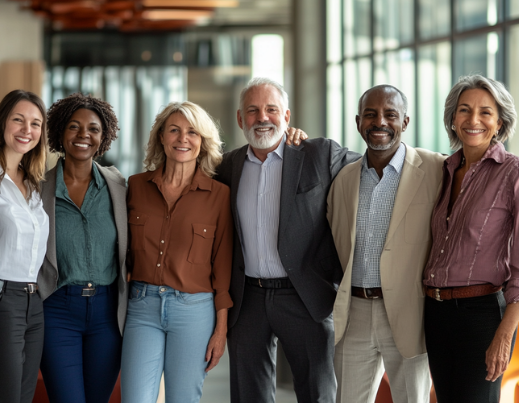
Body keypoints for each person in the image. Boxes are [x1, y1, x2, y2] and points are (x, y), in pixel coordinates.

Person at [216, 77, 359, 403]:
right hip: (247, 298)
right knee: (248, 395)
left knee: (318, 394)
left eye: (271, 109)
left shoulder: (318, 154)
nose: (262, 118)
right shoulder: (226, 168)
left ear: (287, 116)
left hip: (306, 296)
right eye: (252, 111)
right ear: (240, 119)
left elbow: (369, 172)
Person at [327, 85, 445, 403]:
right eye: (370, 114)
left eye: (390, 114)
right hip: (354, 314)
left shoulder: (436, 170)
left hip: (410, 313)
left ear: (405, 122)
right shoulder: (343, 181)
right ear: (357, 122)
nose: (380, 121)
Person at [120, 101, 233, 403]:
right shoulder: (135, 186)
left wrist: (220, 331)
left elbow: (223, 270)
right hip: (141, 308)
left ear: (202, 142)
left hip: (194, 312)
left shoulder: (219, 195)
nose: (183, 139)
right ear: (161, 137)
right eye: (174, 130)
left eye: (192, 132)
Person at [423, 74, 519, 403]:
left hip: (482, 316)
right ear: (452, 119)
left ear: (500, 122)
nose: (473, 120)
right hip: (435, 313)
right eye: (464, 110)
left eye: (485, 112)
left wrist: (505, 333)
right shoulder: (444, 170)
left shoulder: (513, 173)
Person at [37, 92, 127, 403]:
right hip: (57, 310)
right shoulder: (38, 188)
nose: (83, 135)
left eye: (93, 129)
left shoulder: (119, 187)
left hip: (107, 313)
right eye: (74, 127)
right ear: (61, 131)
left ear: (103, 138)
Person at [0, 90, 49, 403]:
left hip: (36, 303)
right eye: (18, 120)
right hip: (2, 298)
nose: (26, 130)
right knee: (4, 397)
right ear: (2, 122)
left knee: (23, 396)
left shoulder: (34, 182)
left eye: (35, 123)